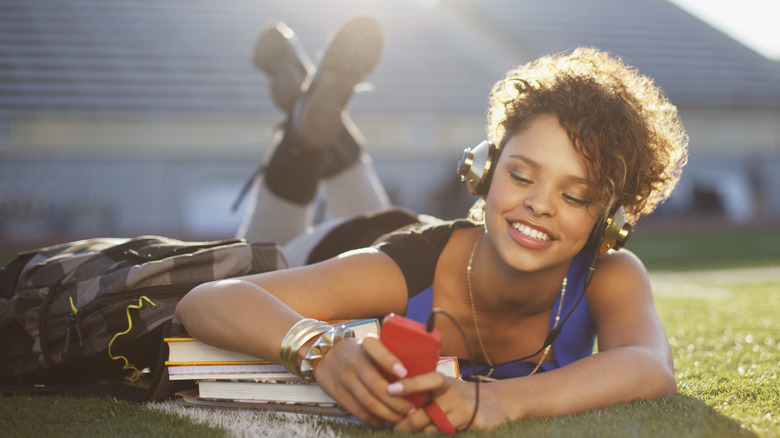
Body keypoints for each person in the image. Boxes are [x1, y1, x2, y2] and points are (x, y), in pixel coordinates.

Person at [176, 15, 689, 433]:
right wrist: (321, 350)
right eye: (520, 175)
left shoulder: (610, 272)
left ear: (612, 223)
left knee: (358, 194)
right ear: (484, 170)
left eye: (575, 195)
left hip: (404, 231)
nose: (539, 204)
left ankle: (308, 101)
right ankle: (305, 130)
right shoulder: (405, 267)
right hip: (333, 246)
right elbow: (209, 300)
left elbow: (648, 366)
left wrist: (500, 402)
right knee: (272, 236)